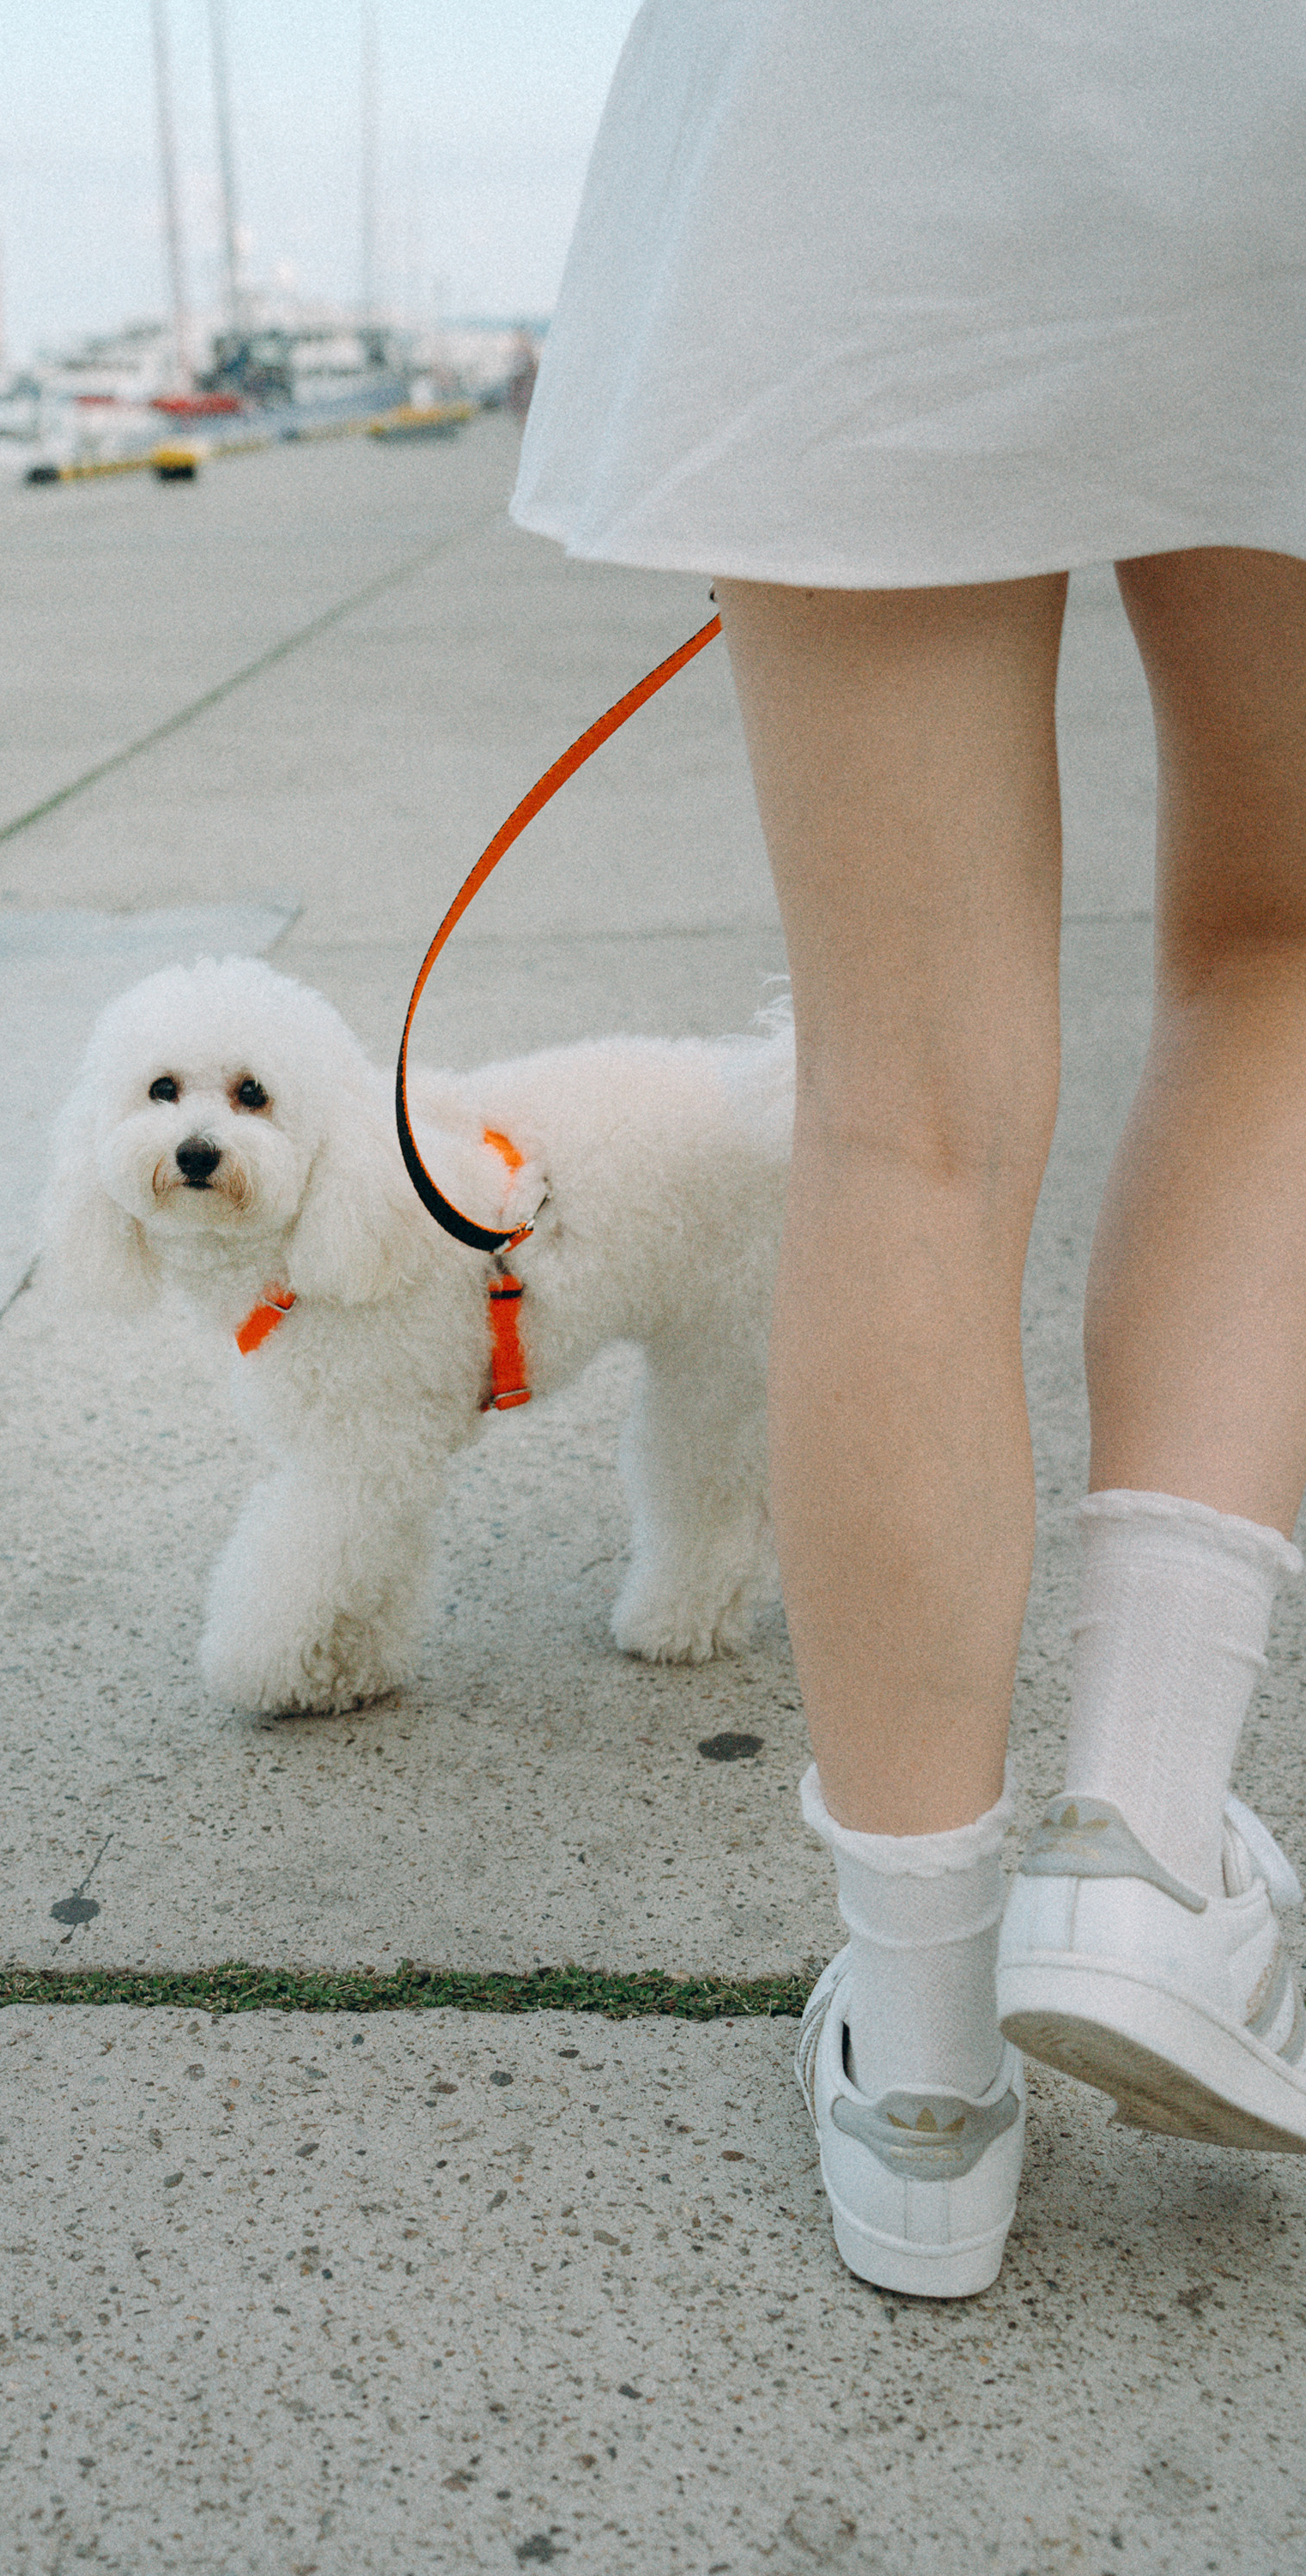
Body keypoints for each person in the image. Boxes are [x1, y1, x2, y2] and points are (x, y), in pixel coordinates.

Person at [511, 0, 1306, 2297]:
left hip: (866, 109)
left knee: (907, 1102)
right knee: (1276, 954)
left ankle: (929, 2073)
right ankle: (1148, 1847)